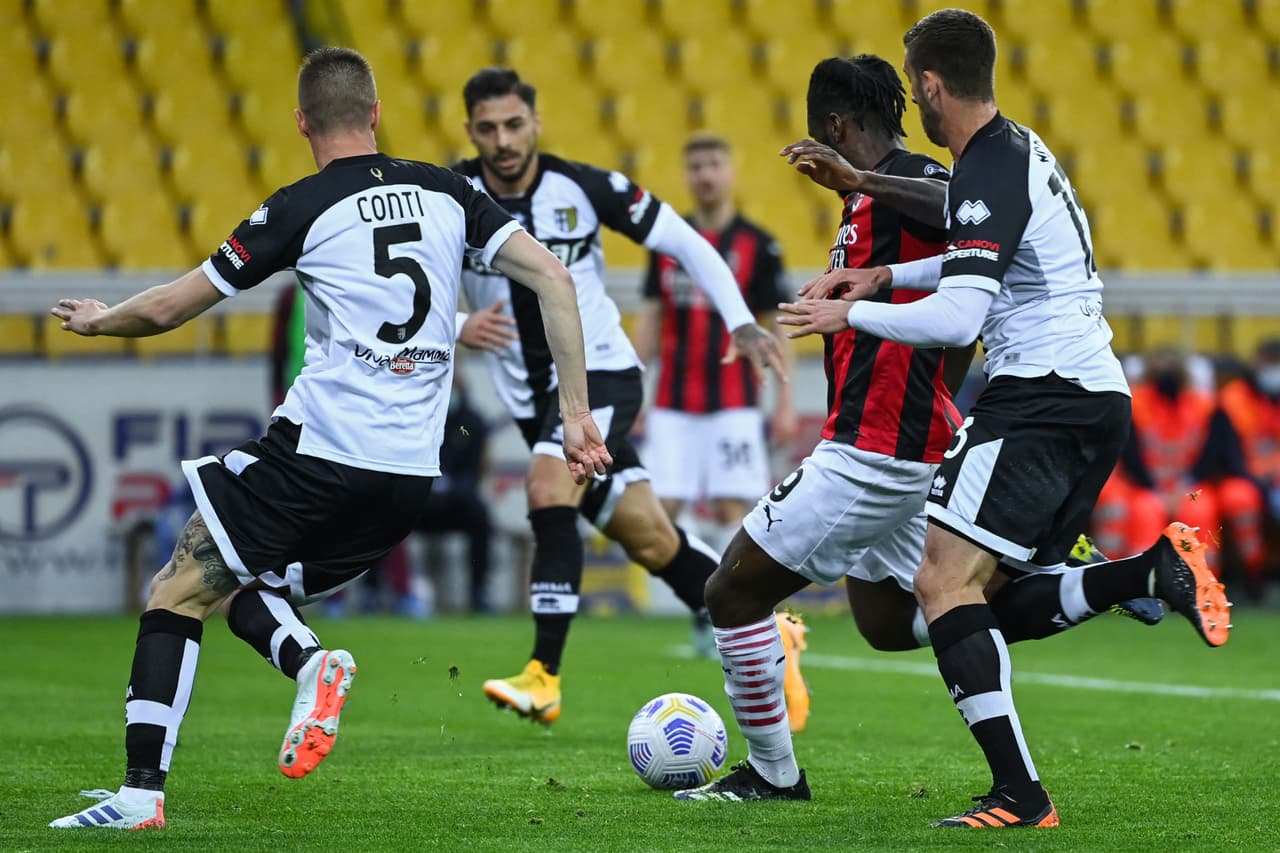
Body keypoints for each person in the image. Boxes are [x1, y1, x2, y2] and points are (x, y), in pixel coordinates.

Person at [47, 47, 611, 830]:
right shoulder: (453, 192)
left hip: (321, 454)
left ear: (302, 122)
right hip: (410, 475)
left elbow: (174, 306)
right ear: (376, 113)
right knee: (245, 590)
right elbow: (554, 275)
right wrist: (576, 412)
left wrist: (104, 319)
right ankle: (310, 663)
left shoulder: (299, 207)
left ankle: (141, 795)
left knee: (176, 589)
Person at [775, 11, 1230, 828]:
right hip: (1091, 397)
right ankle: (1145, 573)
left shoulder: (985, 168)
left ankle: (1020, 795)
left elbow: (956, 319)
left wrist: (852, 320)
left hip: (1040, 396)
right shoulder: (1019, 150)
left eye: (918, 87)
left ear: (930, 84)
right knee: (984, 594)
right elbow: (980, 254)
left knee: (941, 582)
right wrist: (882, 275)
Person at [670, 53, 1156, 807]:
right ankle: (1124, 578)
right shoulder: (876, 200)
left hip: (876, 447)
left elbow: (950, 200)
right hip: (907, 446)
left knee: (730, 593)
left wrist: (862, 186)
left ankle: (773, 774)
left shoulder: (917, 181)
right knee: (900, 620)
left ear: (833, 127)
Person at [450, 68, 790, 727]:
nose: (503, 140)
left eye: (514, 124)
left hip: (601, 374)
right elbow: (419, 285)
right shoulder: (452, 196)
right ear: (470, 132)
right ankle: (776, 638)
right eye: (488, 128)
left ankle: (543, 674)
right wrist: (456, 326)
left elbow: (686, 242)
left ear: (536, 123)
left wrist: (740, 320)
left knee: (549, 490)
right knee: (653, 538)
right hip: (530, 400)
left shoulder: (583, 186)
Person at [634, 132, 797, 555]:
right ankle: (700, 599)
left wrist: (785, 401)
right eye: (696, 167)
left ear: (731, 172)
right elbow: (652, 315)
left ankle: (729, 609)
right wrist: (635, 389)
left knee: (732, 506)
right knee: (663, 507)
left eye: (713, 165)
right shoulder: (667, 241)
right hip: (673, 400)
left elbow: (777, 326)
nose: (705, 175)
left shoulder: (759, 244)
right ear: (686, 177)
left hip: (734, 402)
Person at [1094, 348, 1265, 586]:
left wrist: (1183, 486)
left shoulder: (1204, 405)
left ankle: (1202, 586)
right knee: (1145, 512)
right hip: (1146, 486)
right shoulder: (1134, 402)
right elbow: (1128, 452)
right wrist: (1156, 489)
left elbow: (1212, 453)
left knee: (1199, 512)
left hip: (1190, 486)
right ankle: (1142, 587)